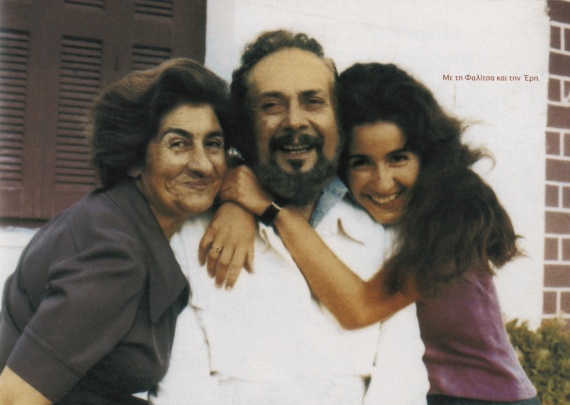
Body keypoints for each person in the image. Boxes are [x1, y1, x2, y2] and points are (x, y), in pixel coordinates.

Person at [219, 62, 540, 405]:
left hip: (487, 398)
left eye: (398, 158)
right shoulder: (361, 204)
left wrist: (272, 211)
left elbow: (360, 308)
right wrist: (235, 208)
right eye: (361, 162)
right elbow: (260, 169)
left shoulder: (457, 207)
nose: (383, 182)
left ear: (426, 154)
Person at [152, 31, 428, 404]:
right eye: (271, 105)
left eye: (313, 102)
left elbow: (402, 383)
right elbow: (181, 390)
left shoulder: (384, 237)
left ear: (339, 120)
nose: (295, 121)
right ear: (244, 126)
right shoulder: (190, 239)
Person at [0, 58, 230, 404]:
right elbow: (13, 399)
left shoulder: (113, 215)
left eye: (213, 143)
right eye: (178, 144)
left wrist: (240, 208)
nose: (203, 164)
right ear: (134, 158)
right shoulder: (114, 257)